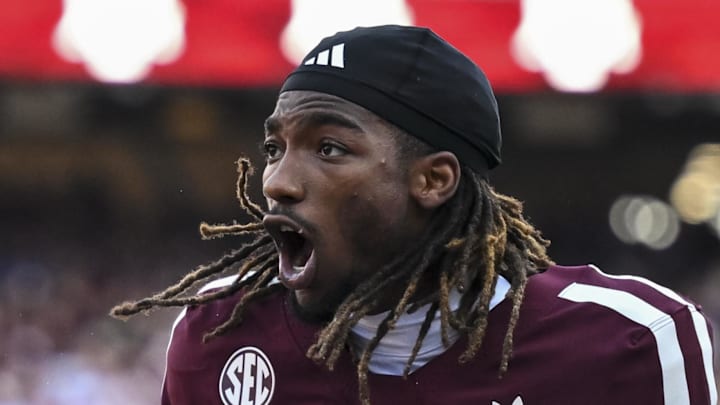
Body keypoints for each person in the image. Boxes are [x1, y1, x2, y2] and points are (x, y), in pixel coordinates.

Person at [111, 25, 717, 405]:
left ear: (433, 180)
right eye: (276, 148)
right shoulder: (216, 332)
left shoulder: (631, 340)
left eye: (329, 148)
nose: (277, 180)